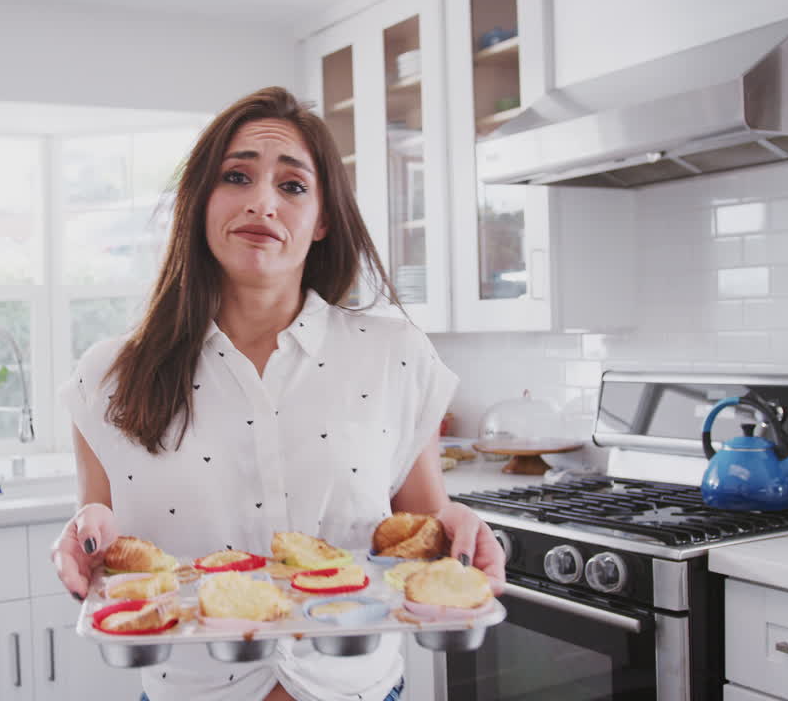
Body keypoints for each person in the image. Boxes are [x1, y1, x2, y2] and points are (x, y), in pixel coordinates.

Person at [52, 86, 505, 701]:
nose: (262, 202)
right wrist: (82, 541)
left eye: (292, 186)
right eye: (236, 176)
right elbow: (105, 539)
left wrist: (459, 528)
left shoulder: (396, 356)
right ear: (199, 203)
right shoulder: (106, 376)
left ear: (322, 221)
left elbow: (420, 529)